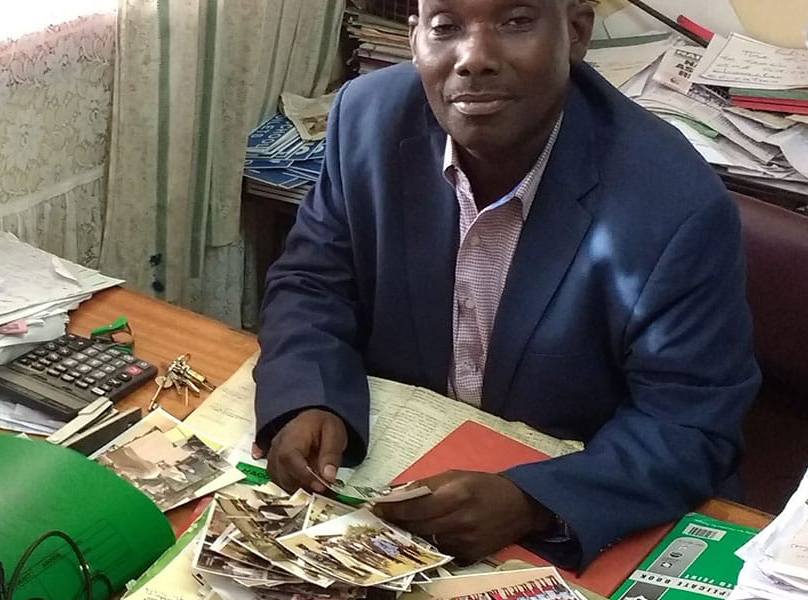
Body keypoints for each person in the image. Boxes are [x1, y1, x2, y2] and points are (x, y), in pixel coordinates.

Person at [252, 0, 759, 570]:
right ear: (415, 36)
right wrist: (308, 395)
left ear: (575, 31)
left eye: (516, 22)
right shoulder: (366, 118)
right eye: (445, 27)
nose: (474, 59)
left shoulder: (675, 203)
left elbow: (690, 424)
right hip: (394, 475)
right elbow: (313, 281)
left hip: (576, 515)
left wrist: (535, 502)